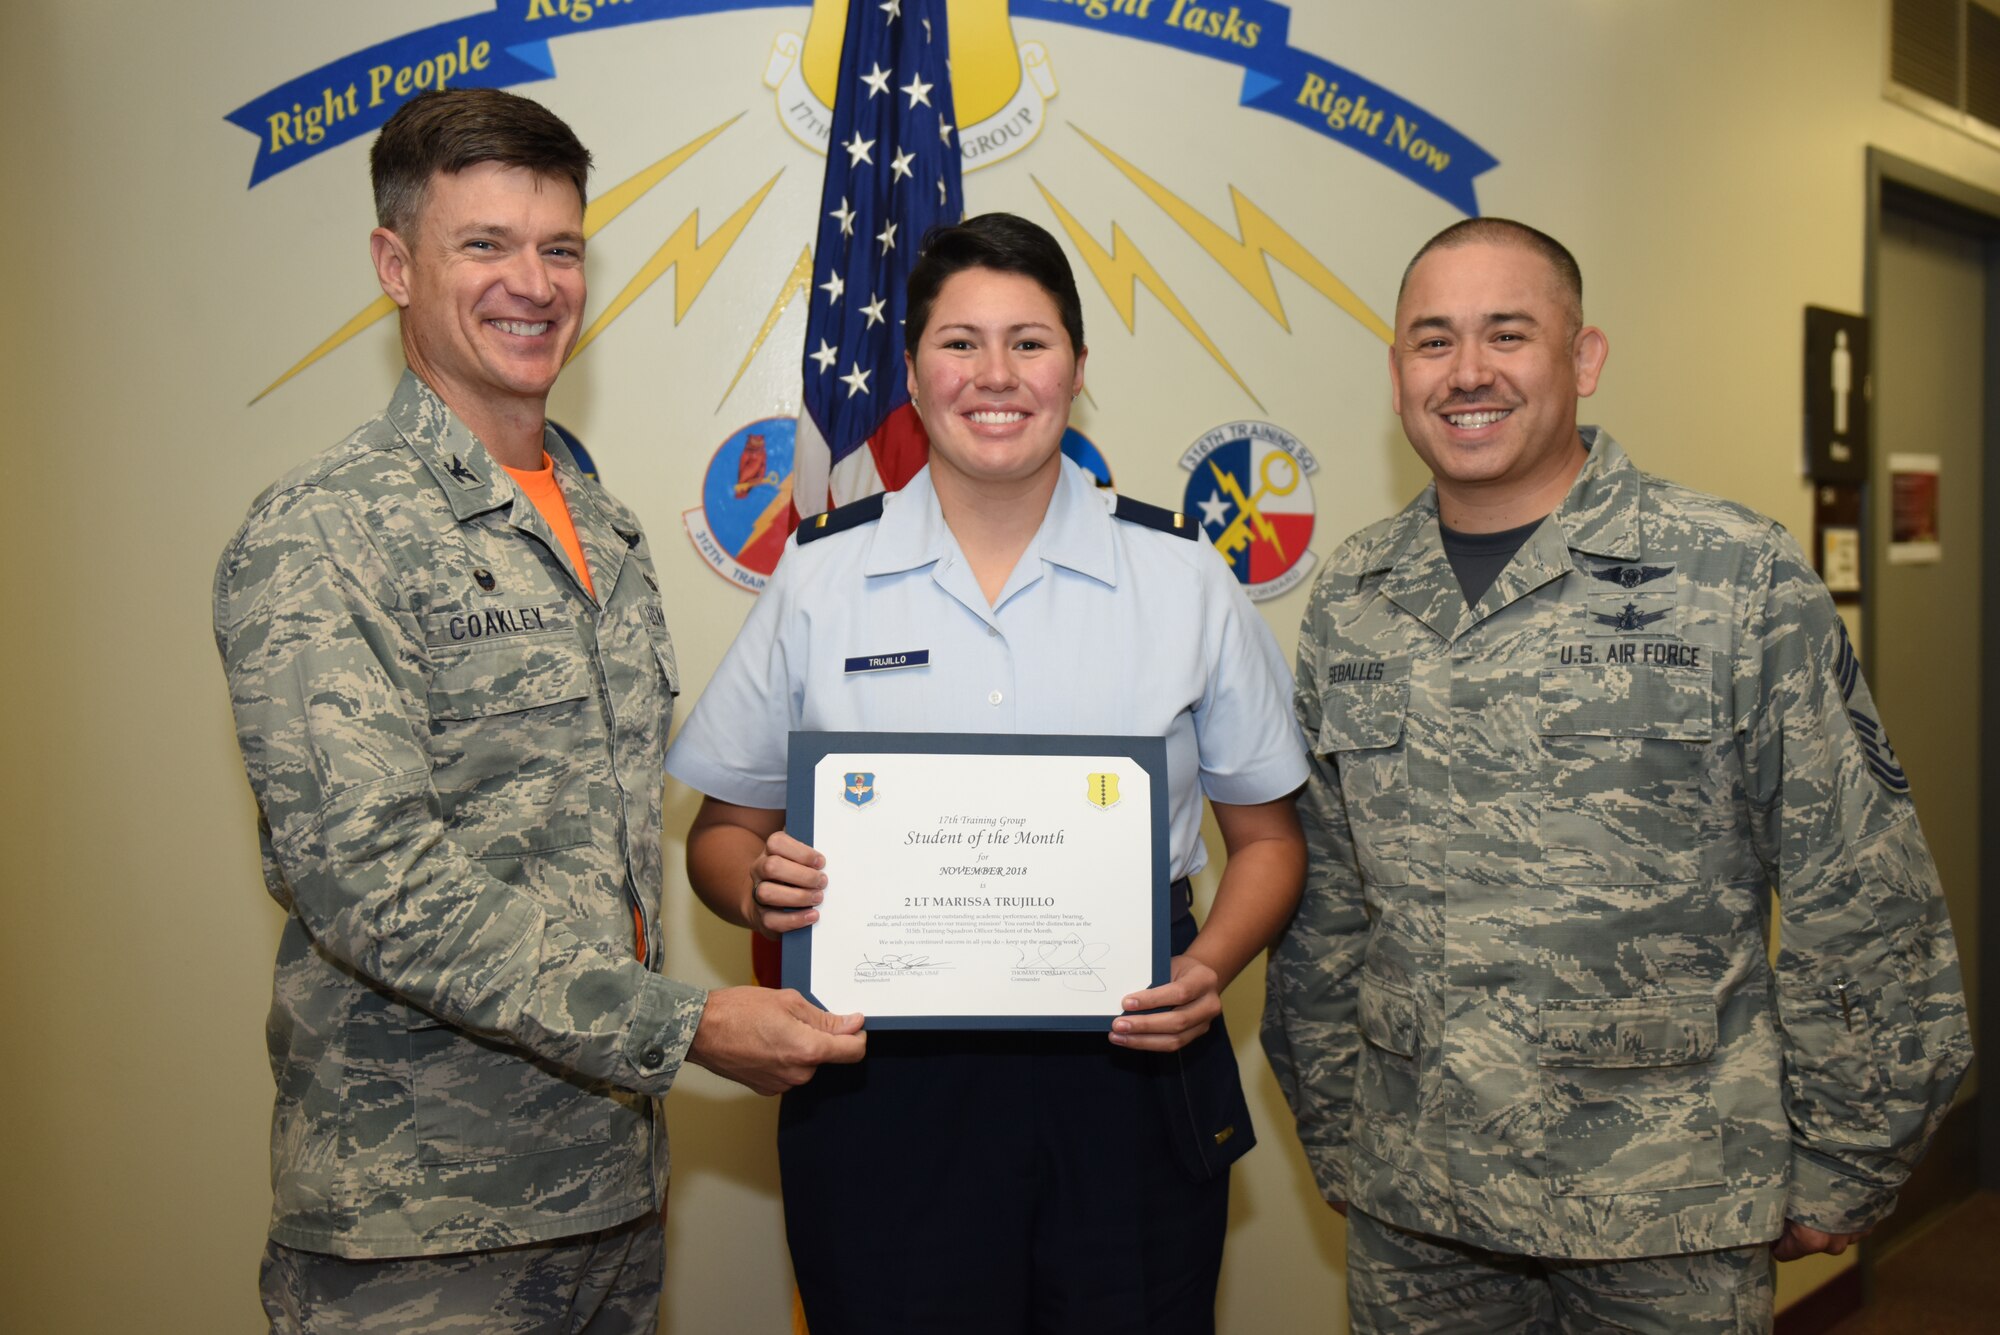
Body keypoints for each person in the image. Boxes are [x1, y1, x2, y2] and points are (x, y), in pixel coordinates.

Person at [213, 88, 865, 1334]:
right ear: (394, 266)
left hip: (607, 1196)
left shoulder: (601, 525)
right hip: (422, 1230)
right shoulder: (324, 532)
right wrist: (688, 1025)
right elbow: (371, 879)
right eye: (485, 245)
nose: (534, 282)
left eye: (558, 247)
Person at [1261, 217, 1973, 1332]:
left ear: (1581, 360)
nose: (1468, 373)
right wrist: (1341, 1126)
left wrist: (1843, 1153)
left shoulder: (1731, 574)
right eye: (1432, 341)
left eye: (1508, 334)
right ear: (1397, 370)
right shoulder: (1356, 590)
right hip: (1417, 1202)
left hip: (1667, 1205)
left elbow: (1859, 883)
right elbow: (1327, 901)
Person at [666, 212, 1309, 1335]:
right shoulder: (820, 576)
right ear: (911, 369)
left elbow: (1267, 842)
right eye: (959, 343)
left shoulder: (1181, 576)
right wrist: (750, 886)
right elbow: (721, 834)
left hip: (1130, 1066)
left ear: (1075, 368)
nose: (995, 375)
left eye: (1030, 340)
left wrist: (1207, 967)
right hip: (881, 1081)